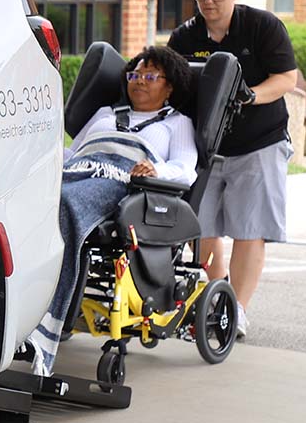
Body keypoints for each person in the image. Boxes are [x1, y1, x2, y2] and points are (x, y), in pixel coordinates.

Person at [29, 45, 197, 375]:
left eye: (150, 75)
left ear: (170, 86)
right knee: (30, 201)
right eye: (135, 74)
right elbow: (74, 152)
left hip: (122, 181)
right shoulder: (106, 113)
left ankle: (41, 325)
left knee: (64, 206)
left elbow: (185, 169)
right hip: (78, 170)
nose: (140, 81)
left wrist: (155, 171)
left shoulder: (176, 123)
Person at [168, 0, 297, 339]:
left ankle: (237, 310)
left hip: (259, 142)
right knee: (203, 227)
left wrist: (251, 94)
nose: (209, 2)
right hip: (209, 147)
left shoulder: (262, 27)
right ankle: (216, 301)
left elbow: (286, 79)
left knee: (248, 228)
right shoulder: (185, 37)